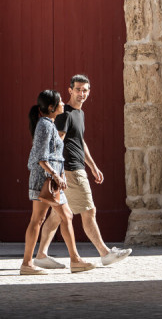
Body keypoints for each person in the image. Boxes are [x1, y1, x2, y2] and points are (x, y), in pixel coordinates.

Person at [33, 75, 133, 269]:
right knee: (89, 210)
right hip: (71, 170)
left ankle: (41, 255)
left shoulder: (80, 113)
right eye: (78, 89)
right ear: (70, 90)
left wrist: (93, 166)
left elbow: (80, 142)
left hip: (76, 167)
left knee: (57, 215)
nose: (82, 93)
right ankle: (105, 253)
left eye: (85, 90)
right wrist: (57, 171)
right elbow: (58, 141)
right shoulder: (65, 113)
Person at [20, 89, 95, 275]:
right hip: (45, 180)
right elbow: (41, 157)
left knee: (58, 217)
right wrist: (57, 176)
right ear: (52, 107)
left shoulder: (48, 124)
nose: (63, 104)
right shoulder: (45, 125)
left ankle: (71, 260)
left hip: (49, 180)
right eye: (60, 102)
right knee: (43, 219)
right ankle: (29, 264)